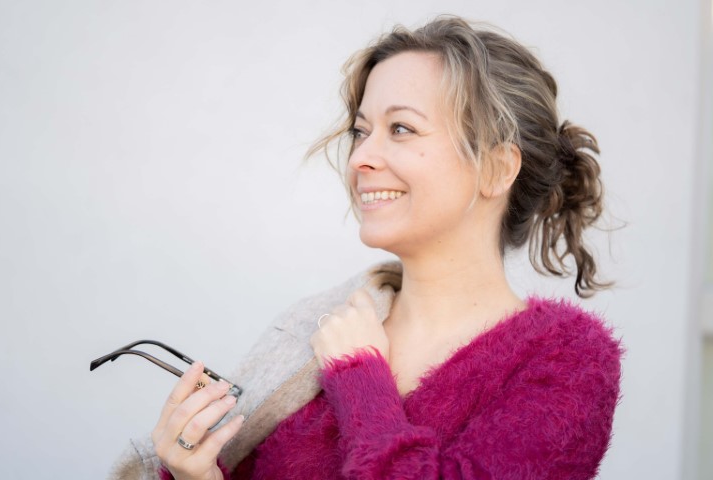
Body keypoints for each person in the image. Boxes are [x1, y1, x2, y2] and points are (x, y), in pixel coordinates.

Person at [112, 15, 622, 480]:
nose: (360, 158)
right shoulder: (312, 330)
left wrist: (359, 376)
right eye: (361, 131)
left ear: (495, 168)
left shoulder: (568, 361)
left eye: (401, 128)